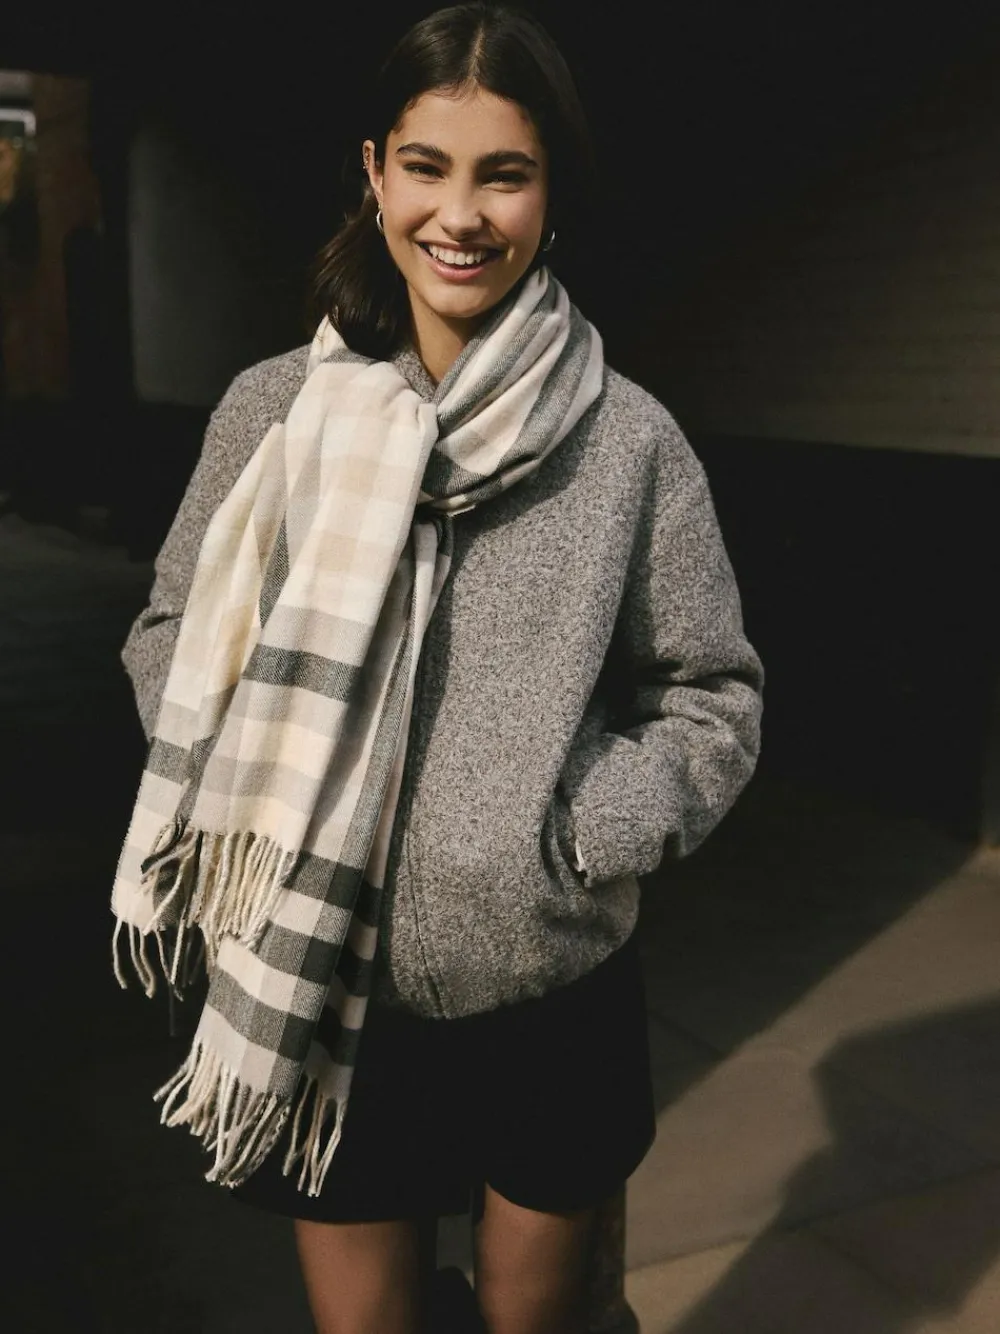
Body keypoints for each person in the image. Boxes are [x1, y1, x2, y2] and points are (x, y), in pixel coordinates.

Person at [113, 5, 764, 1332]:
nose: (459, 214)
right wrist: (267, 783)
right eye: (426, 165)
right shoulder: (274, 413)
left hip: (547, 983)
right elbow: (170, 632)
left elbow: (712, 696)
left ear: (550, 192)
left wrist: (571, 834)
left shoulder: (627, 441)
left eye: (503, 173)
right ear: (375, 173)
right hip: (323, 976)